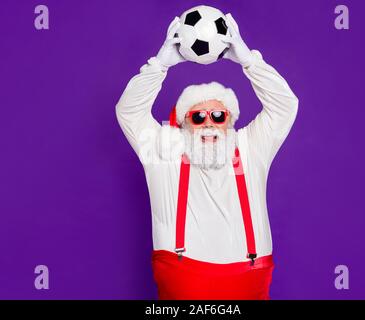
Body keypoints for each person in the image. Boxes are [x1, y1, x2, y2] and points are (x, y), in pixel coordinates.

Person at [116, 13, 298, 300]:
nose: (210, 123)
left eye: (218, 115)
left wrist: (248, 60)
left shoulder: (251, 146)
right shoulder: (166, 150)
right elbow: (129, 112)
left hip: (250, 278)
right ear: (184, 124)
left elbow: (285, 106)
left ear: (231, 121)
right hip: (182, 278)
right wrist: (159, 65)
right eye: (198, 116)